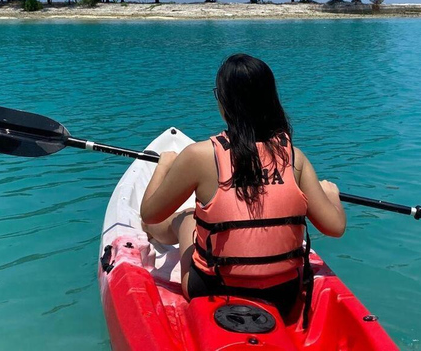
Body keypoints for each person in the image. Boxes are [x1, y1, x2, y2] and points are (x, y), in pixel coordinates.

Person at [140, 53, 346, 323]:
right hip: (284, 295)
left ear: (223, 102)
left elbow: (150, 212)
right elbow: (335, 227)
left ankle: (154, 236)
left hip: (214, 292)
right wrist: (332, 197)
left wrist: (164, 165)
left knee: (187, 218)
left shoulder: (199, 156)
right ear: (271, 100)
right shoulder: (295, 158)